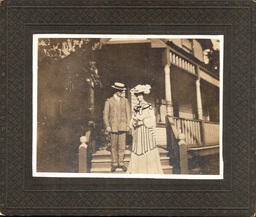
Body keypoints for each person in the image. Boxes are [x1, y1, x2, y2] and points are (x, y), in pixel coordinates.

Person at [128, 84, 163, 174]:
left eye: (140, 95)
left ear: (143, 95)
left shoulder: (148, 106)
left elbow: (152, 120)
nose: (138, 97)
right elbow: (132, 119)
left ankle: (148, 171)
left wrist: (142, 119)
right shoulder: (136, 108)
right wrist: (133, 122)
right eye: (137, 95)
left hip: (145, 130)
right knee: (138, 150)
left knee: (146, 148)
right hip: (137, 132)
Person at [103, 82, 131, 172]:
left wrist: (128, 125)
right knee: (114, 146)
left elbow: (128, 114)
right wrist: (107, 125)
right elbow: (105, 115)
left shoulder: (125, 101)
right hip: (113, 127)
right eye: (119, 91)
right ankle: (114, 163)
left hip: (123, 126)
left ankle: (121, 163)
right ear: (115, 91)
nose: (121, 92)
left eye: (122, 90)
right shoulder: (109, 101)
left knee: (122, 145)